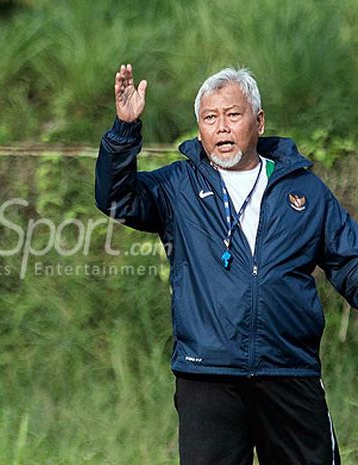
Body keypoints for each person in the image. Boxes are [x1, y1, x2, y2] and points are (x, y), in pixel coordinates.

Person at [95, 64, 358, 464]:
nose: (221, 127)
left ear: (259, 121)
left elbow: (349, 261)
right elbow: (116, 197)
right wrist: (124, 129)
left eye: (233, 115)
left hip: (289, 370)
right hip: (208, 376)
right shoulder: (177, 186)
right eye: (210, 117)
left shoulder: (303, 189)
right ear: (199, 128)